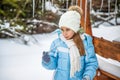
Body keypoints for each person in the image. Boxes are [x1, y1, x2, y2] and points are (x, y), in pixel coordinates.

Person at [42, 5, 98, 80]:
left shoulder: (85, 42)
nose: (64, 33)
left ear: (75, 28)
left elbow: (91, 63)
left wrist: (87, 77)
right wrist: (47, 60)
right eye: (62, 29)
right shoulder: (57, 43)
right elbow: (53, 65)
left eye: (67, 29)